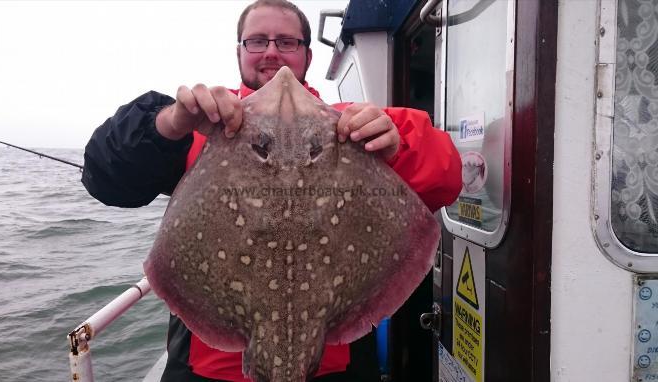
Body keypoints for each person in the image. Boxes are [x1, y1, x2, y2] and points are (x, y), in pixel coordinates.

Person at [82, 1, 462, 381]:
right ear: (238, 51)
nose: (272, 52)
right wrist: (168, 124)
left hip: (334, 368)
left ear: (308, 55)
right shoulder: (198, 128)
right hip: (207, 370)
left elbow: (448, 176)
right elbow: (104, 177)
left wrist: (396, 151)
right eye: (257, 41)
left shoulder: (356, 126)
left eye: (286, 41)